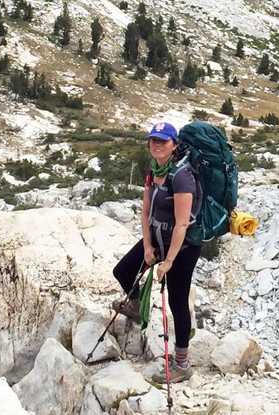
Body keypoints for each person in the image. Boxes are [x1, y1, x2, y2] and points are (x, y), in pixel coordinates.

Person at [112, 121, 201, 383]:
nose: (156, 145)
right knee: (123, 271)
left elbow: (183, 223)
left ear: (174, 145)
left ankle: (182, 363)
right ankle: (137, 305)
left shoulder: (182, 176)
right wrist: (148, 247)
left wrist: (168, 261)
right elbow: (146, 211)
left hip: (182, 248)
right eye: (153, 140)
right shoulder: (154, 171)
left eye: (162, 141)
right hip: (158, 240)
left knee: (177, 301)